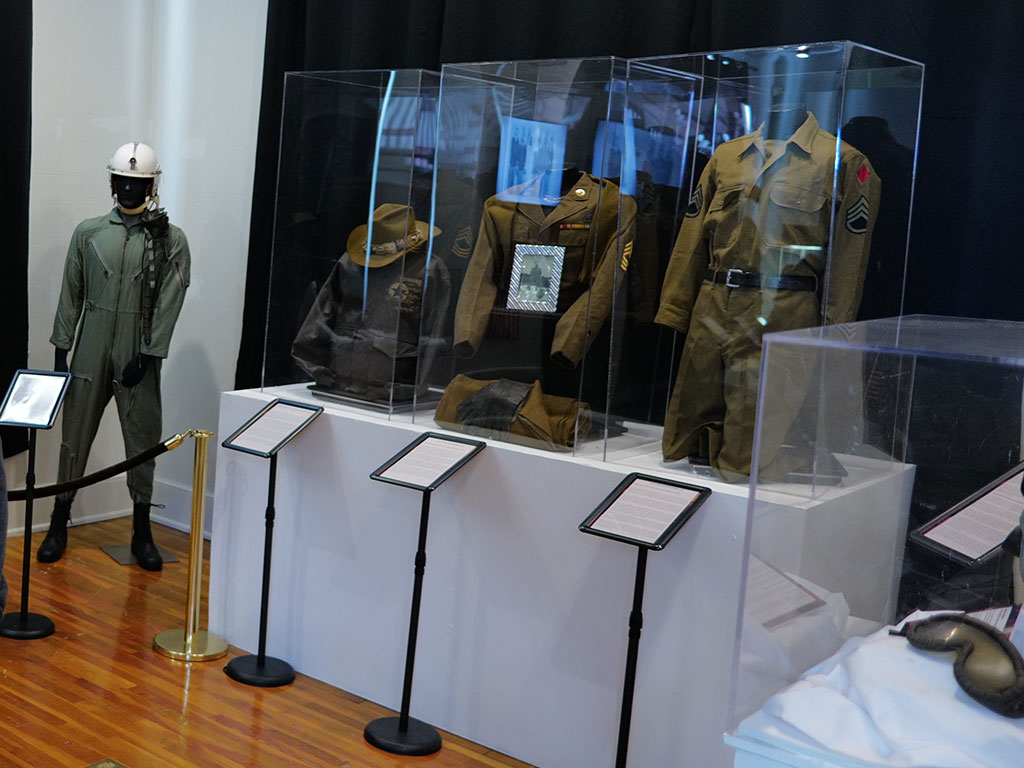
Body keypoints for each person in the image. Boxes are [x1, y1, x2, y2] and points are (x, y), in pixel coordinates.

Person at [37, 142, 191, 570]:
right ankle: (58, 522)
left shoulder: (170, 240)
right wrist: (60, 349)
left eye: (137, 182)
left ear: (151, 184)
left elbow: (169, 302)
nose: (128, 188)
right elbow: (72, 292)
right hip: (91, 341)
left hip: (138, 347)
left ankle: (142, 531)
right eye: (122, 180)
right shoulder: (88, 233)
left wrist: (149, 353)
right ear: (111, 181)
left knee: (142, 438)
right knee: (75, 434)